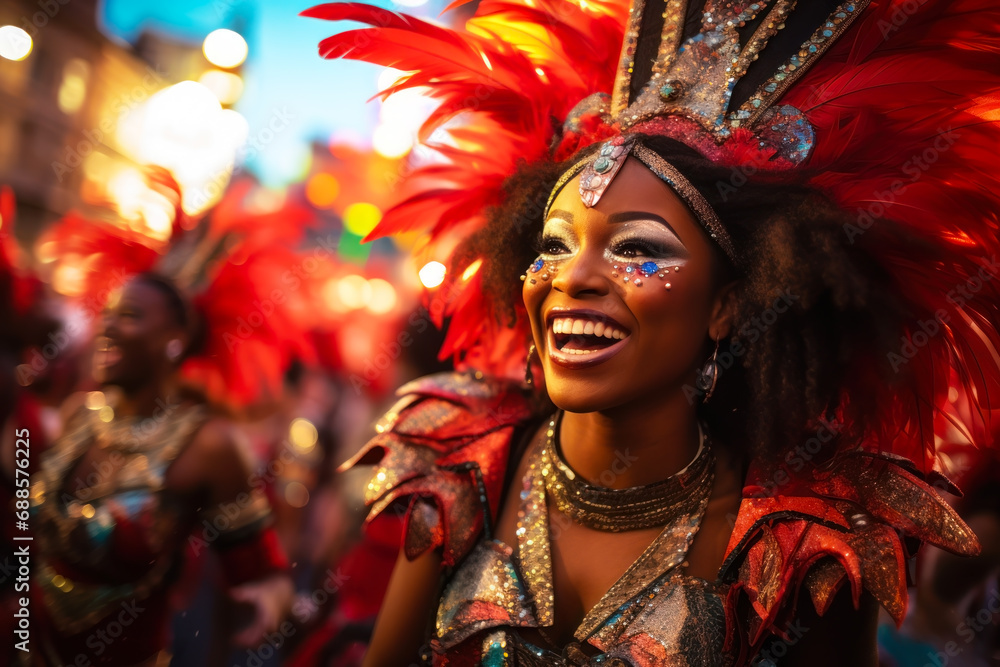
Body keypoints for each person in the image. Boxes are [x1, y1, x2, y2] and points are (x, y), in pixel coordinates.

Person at [305, 0, 1000, 664]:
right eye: (553, 243)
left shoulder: (804, 544)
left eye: (639, 249)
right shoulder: (464, 463)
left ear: (729, 306)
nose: (572, 278)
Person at [29, 273, 293, 666]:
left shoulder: (209, 444)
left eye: (129, 316)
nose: (107, 325)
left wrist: (269, 599)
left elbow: (266, 574)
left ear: (175, 341)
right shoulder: (79, 415)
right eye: (107, 313)